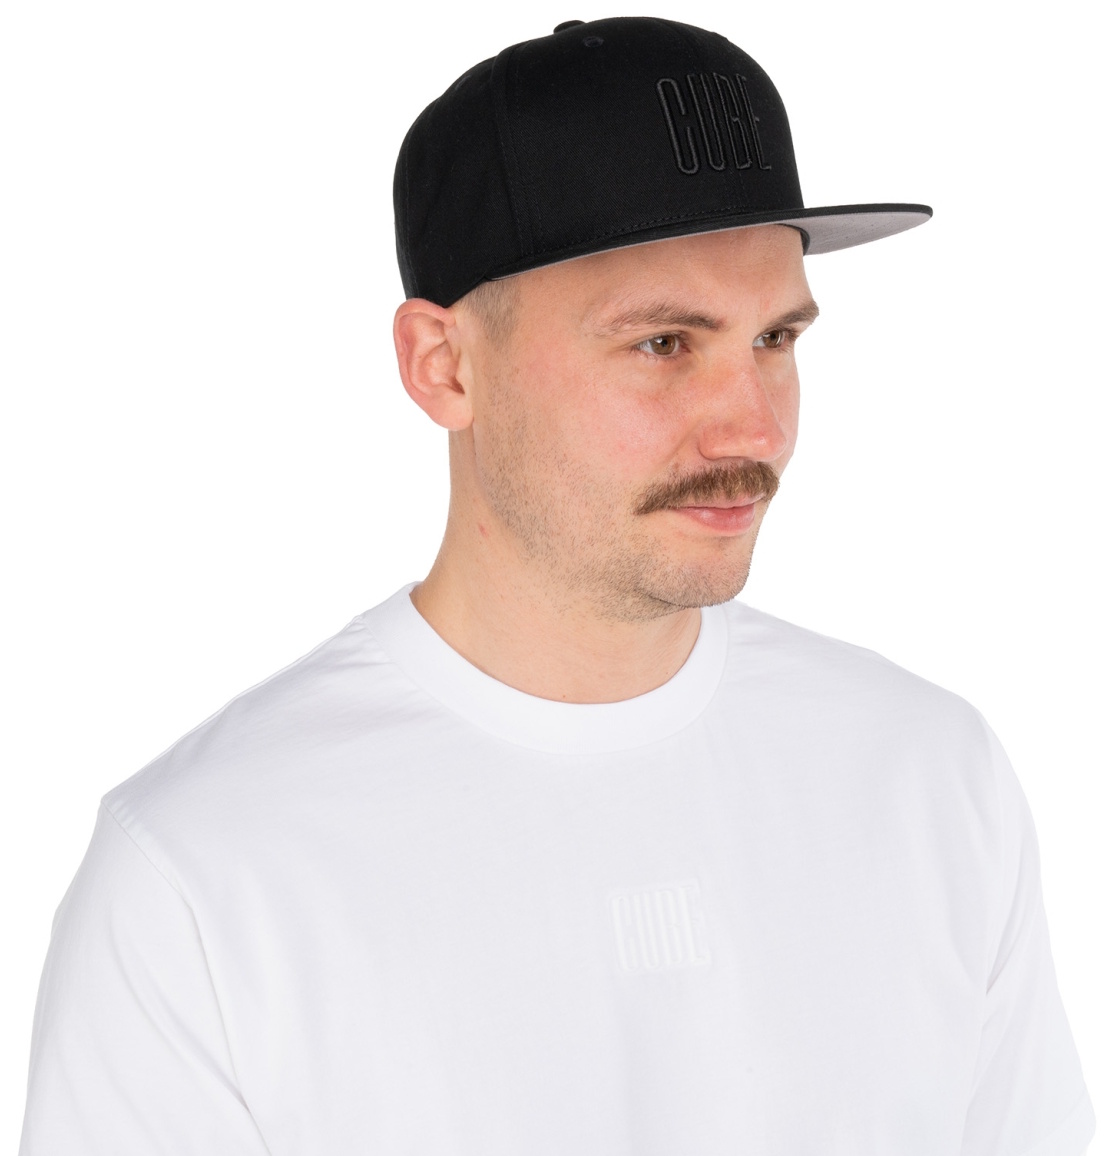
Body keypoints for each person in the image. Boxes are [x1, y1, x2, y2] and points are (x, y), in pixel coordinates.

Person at [18, 16, 1095, 1155]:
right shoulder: (204, 875)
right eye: (663, 344)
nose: (752, 426)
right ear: (443, 365)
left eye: (775, 338)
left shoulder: (928, 777)